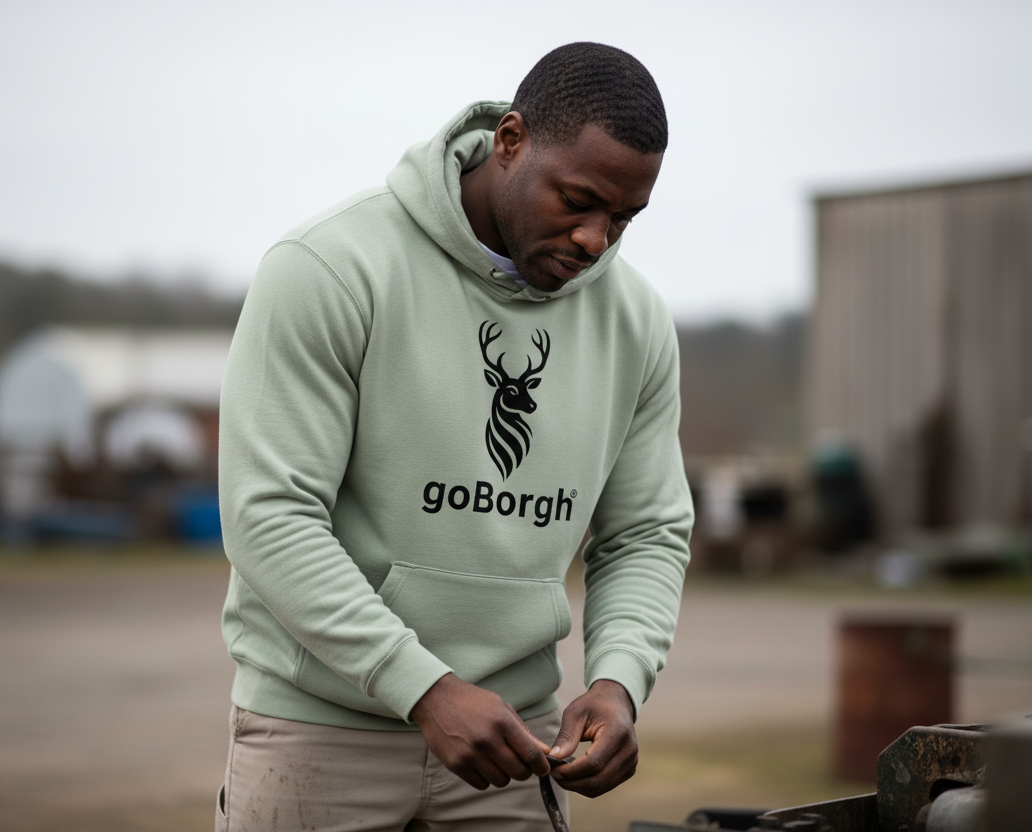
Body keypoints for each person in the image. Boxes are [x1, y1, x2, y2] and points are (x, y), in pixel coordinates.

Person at [216, 42, 693, 832]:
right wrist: (423, 689)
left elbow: (645, 533)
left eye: (623, 217)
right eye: (577, 200)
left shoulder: (635, 322)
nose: (594, 240)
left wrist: (618, 682)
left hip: (514, 747)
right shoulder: (330, 269)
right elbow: (269, 517)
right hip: (321, 737)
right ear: (510, 142)